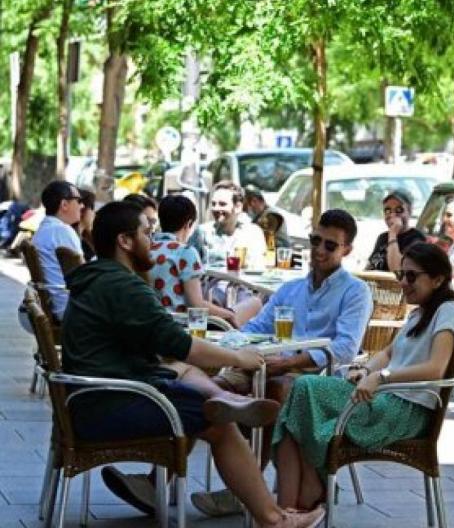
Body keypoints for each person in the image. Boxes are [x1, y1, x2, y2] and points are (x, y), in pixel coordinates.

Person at [61, 201, 323, 528]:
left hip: (90, 400)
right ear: (125, 241)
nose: (153, 241)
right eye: (147, 233)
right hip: (109, 405)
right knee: (217, 422)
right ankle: (274, 519)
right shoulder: (122, 286)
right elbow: (180, 344)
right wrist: (239, 358)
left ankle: (227, 399)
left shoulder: (98, 279)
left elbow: (161, 347)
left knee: (185, 375)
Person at [194, 209, 373, 517]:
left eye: (330, 245)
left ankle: (248, 492)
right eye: (316, 240)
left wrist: (289, 363)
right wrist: (228, 350)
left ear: (347, 251)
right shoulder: (292, 288)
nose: (318, 250)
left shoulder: (356, 291)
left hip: (320, 378)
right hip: (270, 366)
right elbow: (256, 328)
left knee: (270, 394)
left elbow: (345, 348)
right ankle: (158, 483)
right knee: (205, 391)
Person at [273, 241, 454, 512]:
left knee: (304, 389)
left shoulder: (447, 309)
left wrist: (381, 378)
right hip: (385, 400)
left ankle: (305, 495)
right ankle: (289, 508)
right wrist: (365, 371)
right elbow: (388, 353)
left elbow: (437, 368)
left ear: (437, 279)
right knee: (296, 402)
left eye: (412, 276)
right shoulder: (420, 312)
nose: (403, 283)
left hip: (405, 411)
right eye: (401, 274)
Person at [150, 195, 236, 325]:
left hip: (153, 323)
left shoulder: (147, 248)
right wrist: (229, 315)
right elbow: (196, 305)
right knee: (254, 304)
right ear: (188, 224)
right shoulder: (185, 252)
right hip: (181, 327)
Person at [31, 180, 83, 318]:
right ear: (64, 204)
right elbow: (85, 277)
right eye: (78, 200)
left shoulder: (43, 230)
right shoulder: (62, 231)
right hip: (71, 309)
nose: (82, 206)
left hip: (58, 305)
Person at [201, 180, 268, 269]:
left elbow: (259, 268)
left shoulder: (252, 233)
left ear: (238, 207)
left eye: (222, 204)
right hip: (209, 282)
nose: (216, 208)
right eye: (213, 204)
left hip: (241, 282)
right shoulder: (203, 232)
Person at [365, 189, 425, 272]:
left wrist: (393, 234)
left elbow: (397, 272)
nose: (393, 215)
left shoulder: (416, 238)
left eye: (399, 210)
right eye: (388, 210)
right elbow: (370, 267)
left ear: (409, 211)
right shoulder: (382, 237)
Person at [75, 188, 96, 261]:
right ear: (83, 209)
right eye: (92, 208)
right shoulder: (74, 239)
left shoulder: (85, 239)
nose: (94, 213)